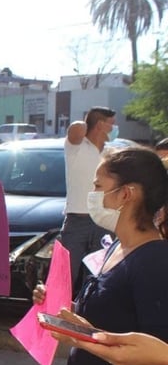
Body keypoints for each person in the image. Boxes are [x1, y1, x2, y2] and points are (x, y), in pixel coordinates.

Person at [33, 146, 168, 365]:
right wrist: (73, 320)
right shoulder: (114, 249)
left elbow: (157, 355)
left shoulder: (155, 261)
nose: (92, 195)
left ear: (127, 193)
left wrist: (92, 342)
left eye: (99, 185)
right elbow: (112, 320)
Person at [61, 106, 117, 296]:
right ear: (101, 125)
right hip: (78, 221)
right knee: (66, 275)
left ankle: (88, 318)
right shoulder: (77, 146)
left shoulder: (111, 154)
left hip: (104, 221)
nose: (114, 129)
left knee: (97, 276)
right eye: (111, 124)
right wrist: (90, 118)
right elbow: (75, 130)